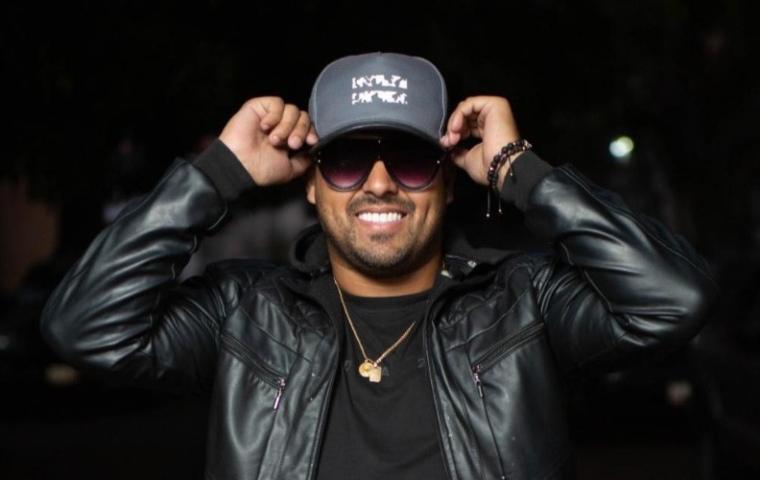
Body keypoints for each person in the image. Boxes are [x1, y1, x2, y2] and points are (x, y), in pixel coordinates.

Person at [40, 52, 719, 479]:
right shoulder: (246, 316)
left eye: (412, 160)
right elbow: (83, 326)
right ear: (312, 185)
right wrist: (216, 174)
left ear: (448, 182)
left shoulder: (521, 308)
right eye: (345, 160)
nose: (379, 183)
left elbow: (674, 298)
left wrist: (521, 171)